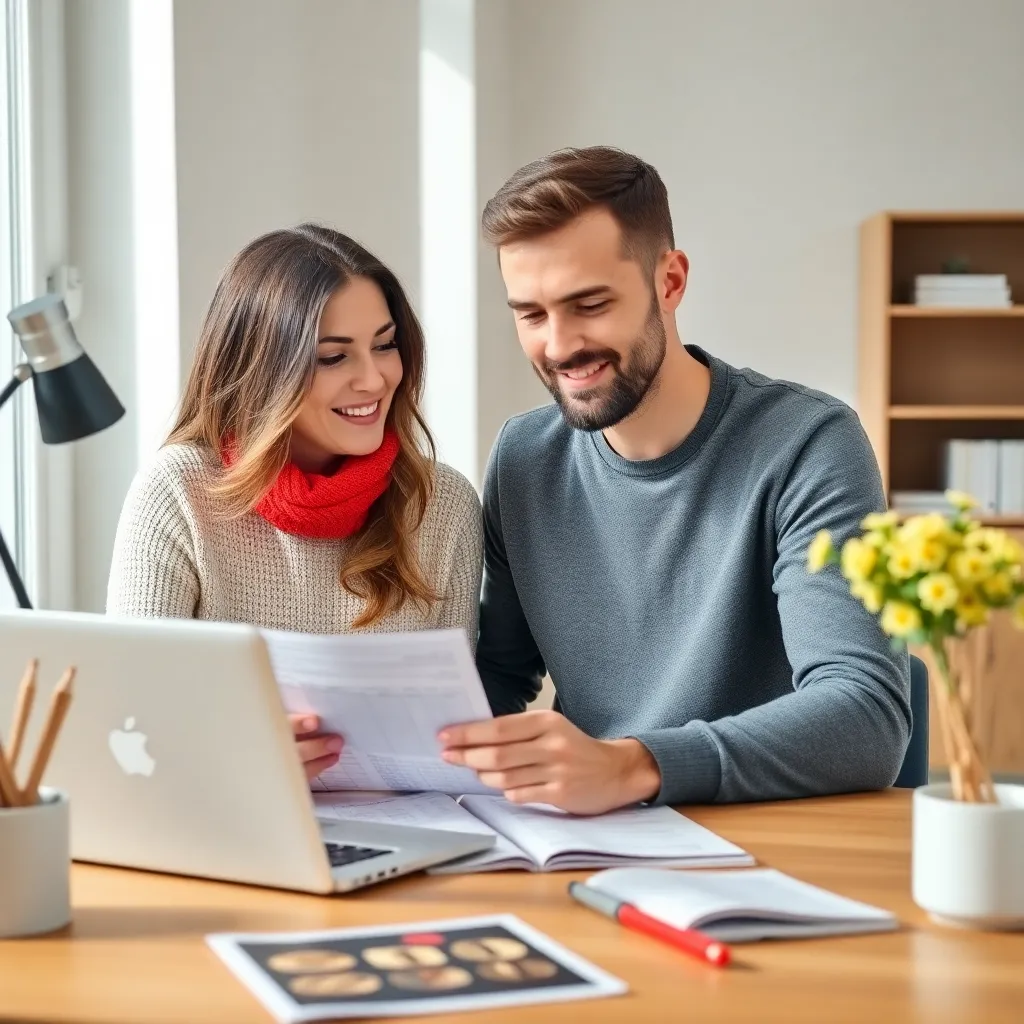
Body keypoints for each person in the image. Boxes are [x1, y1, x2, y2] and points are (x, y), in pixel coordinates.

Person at [439, 146, 910, 813]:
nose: (560, 345)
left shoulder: (808, 444)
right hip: (590, 839)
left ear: (670, 280)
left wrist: (633, 765)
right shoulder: (524, 457)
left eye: (590, 303)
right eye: (532, 314)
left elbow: (865, 716)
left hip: (770, 835)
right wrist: (352, 746)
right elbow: (503, 673)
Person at [107, 224, 483, 781]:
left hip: (408, 832)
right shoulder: (178, 493)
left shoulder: (443, 502)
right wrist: (236, 758)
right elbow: (127, 724)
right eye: (333, 358)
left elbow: (453, 744)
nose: (374, 378)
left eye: (384, 345)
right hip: (226, 828)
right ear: (263, 370)